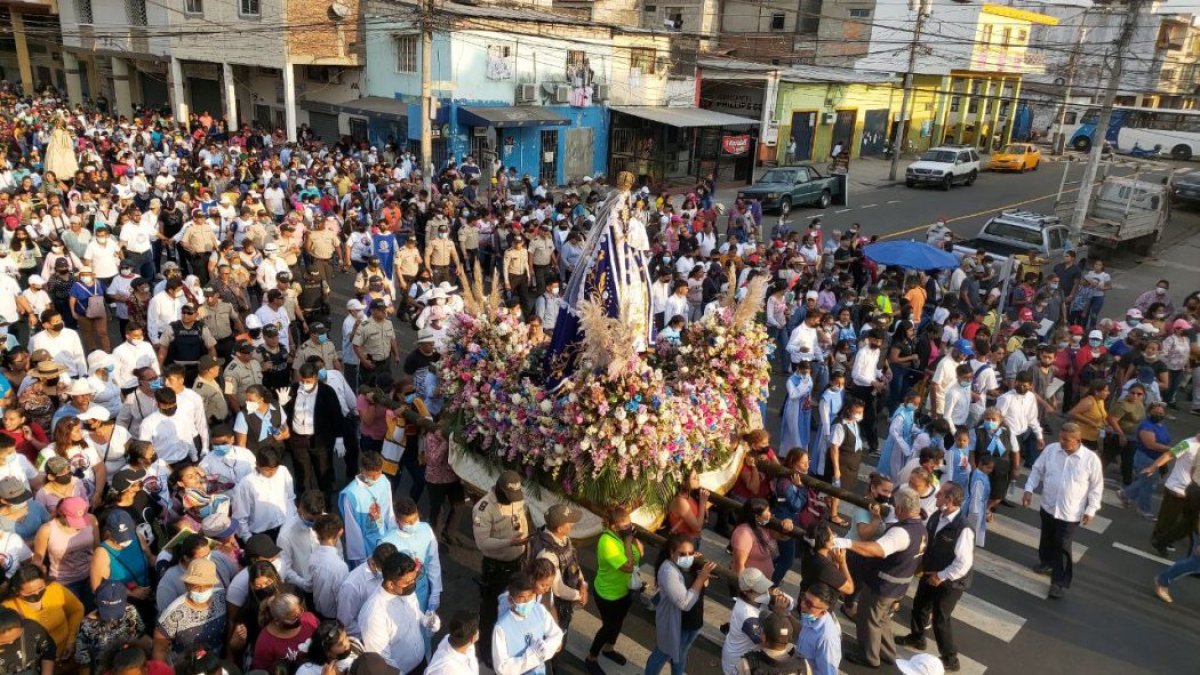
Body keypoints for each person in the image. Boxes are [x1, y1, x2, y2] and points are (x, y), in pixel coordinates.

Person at [844, 486, 928, 668]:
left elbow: (878, 549)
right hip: (899, 585)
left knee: (869, 619)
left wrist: (849, 543)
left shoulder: (900, 532)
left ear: (900, 509)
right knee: (883, 619)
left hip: (882, 585)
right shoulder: (920, 529)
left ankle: (870, 656)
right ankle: (888, 653)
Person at [897, 482, 974, 673]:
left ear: (948, 500)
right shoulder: (935, 516)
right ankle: (917, 637)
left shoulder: (962, 529)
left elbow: (963, 563)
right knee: (920, 605)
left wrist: (941, 576)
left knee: (941, 618)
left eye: (939, 494)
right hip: (930, 572)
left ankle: (950, 658)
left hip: (951, 582)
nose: (936, 496)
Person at [1022, 423, 1104, 599]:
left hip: (1070, 512)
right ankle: (1047, 562)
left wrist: (1091, 509)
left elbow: (1096, 487)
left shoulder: (1090, 460)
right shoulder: (1051, 450)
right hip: (1048, 505)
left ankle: (1059, 582)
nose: (1061, 442)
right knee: (1047, 537)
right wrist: (1029, 489)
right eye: (1060, 438)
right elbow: (1037, 469)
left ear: (1077, 441)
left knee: (1063, 545)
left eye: (1066, 440)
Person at [472, 469, 533, 669]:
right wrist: (509, 542)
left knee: (515, 607)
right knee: (491, 612)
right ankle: (488, 651)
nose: (512, 501)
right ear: (498, 490)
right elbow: (483, 543)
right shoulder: (484, 508)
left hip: (518, 562)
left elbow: (522, 521)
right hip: (496, 568)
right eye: (508, 496)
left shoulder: (517, 500)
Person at [645, 534, 716, 675]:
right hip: (677, 625)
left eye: (690, 553)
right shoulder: (668, 571)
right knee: (662, 654)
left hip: (693, 622)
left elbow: (703, 587)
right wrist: (701, 578)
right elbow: (685, 603)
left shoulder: (691, 565)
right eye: (682, 554)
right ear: (671, 552)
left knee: (681, 653)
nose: (687, 557)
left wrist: (699, 569)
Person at [359, 552, 434, 673]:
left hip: (420, 663)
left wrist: (426, 620)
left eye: (414, 580)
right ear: (390, 584)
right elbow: (381, 661)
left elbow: (415, 612)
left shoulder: (404, 591)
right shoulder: (374, 616)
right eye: (408, 582)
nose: (413, 585)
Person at [153, 558, 227, 666]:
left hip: (216, 663)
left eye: (207, 586)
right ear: (187, 585)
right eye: (196, 586)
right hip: (186, 667)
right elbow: (159, 651)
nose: (202, 591)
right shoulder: (173, 614)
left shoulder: (221, 597)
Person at [1, 563, 84, 658]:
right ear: (16, 591)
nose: (36, 593)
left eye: (40, 588)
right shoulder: (8, 607)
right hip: (36, 658)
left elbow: (77, 610)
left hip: (66, 650)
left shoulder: (54, 589)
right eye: (30, 592)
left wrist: (71, 639)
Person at [379, 497, 441, 615]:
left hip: (422, 589)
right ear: (397, 520)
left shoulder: (426, 530)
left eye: (415, 519)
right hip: (400, 595)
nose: (413, 524)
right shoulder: (387, 541)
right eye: (408, 522)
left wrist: (435, 592)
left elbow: (433, 562)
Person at [492, 572, 562, 675]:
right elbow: (502, 668)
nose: (527, 601)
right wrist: (532, 657)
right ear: (511, 600)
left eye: (530, 596)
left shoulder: (539, 610)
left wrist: (545, 648)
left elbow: (556, 634)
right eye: (522, 598)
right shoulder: (501, 628)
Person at [339, 451, 396, 568]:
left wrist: (392, 536)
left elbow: (389, 511)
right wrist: (361, 558)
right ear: (362, 469)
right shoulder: (351, 494)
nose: (375, 479)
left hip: (383, 536)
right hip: (364, 545)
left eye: (378, 473)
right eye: (371, 476)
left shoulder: (384, 481)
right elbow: (352, 529)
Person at [1119, 401, 1173, 519]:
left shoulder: (1162, 425)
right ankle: (1144, 509)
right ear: (1149, 412)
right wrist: (1171, 449)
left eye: (1161, 412)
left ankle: (1126, 494)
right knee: (1148, 484)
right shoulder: (1146, 426)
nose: (1158, 414)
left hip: (1157, 458)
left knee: (1145, 482)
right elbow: (1150, 445)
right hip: (1145, 458)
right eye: (1156, 412)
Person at [231, 447, 296, 541]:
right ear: (257, 465)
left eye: (275, 469)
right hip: (262, 534)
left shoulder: (283, 471)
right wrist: (248, 539)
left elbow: (290, 499)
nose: (271, 473)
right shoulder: (246, 484)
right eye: (267, 470)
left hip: (285, 526)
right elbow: (240, 516)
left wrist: (291, 523)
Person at [250, 593, 319, 670]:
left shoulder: (309, 619)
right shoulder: (265, 642)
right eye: (294, 618)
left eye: (300, 611)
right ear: (277, 621)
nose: (300, 618)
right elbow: (261, 670)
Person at [794, 582, 842, 675]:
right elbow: (803, 630)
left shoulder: (827, 639)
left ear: (823, 610)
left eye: (809, 604)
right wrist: (786, 614)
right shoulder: (811, 615)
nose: (803, 604)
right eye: (803, 597)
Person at [0, 606, 57, 675]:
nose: (11, 642)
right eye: (3, 642)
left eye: (18, 638)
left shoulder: (31, 628)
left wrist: (46, 673)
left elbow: (48, 650)